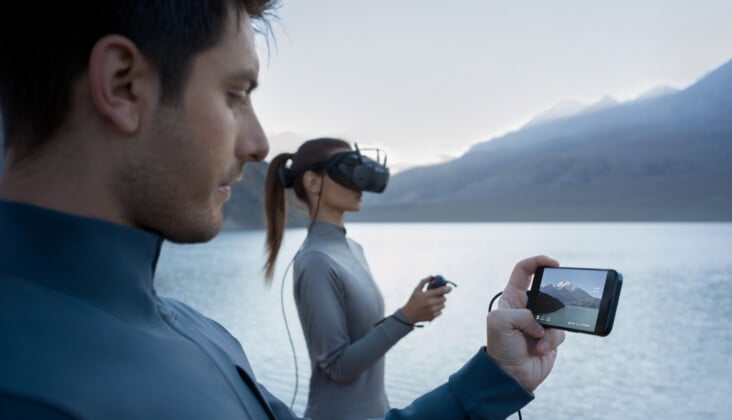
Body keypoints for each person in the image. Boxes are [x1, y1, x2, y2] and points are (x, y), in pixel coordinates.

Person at [0, 1, 566, 419]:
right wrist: (407, 320)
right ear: (124, 85)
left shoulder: (203, 336)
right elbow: (337, 365)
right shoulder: (30, 392)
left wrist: (498, 376)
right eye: (235, 94)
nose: (260, 144)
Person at [263, 138, 452, 419]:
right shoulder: (315, 261)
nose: (359, 183)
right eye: (347, 170)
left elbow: (367, 345)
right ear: (313, 182)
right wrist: (407, 317)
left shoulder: (353, 249)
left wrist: (411, 312)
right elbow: (338, 367)